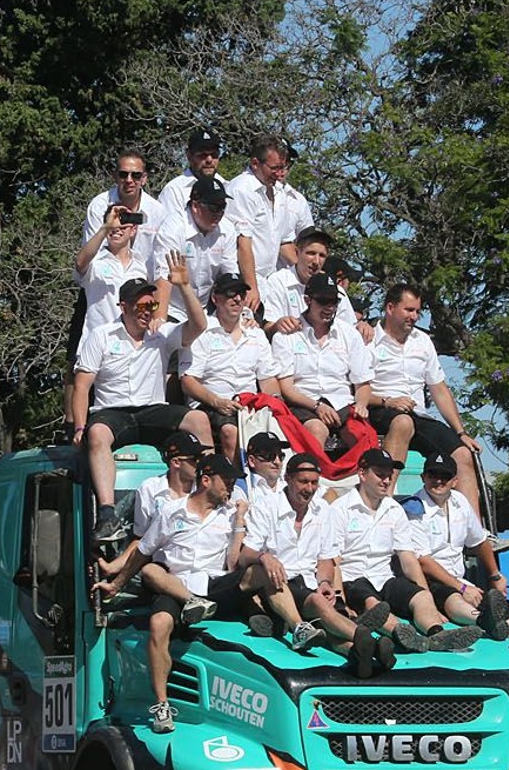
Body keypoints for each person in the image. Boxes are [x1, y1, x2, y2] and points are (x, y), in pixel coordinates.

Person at [96, 454, 273, 731]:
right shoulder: (170, 511)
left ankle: (293, 623)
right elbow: (142, 552)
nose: (230, 487)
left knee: (262, 571)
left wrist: (240, 520)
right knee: (155, 595)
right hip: (176, 584)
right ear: (205, 480)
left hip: (214, 584)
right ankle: (162, 705)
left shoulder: (230, 514)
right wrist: (116, 585)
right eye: (225, 481)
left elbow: (234, 562)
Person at [73, 264, 212, 542]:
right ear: (123, 306)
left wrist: (184, 286)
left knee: (199, 420)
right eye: (140, 304)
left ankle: (209, 490)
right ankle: (107, 512)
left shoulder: (162, 334)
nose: (147, 310)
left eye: (152, 304)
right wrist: (79, 426)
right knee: (97, 433)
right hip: (113, 411)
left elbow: (199, 325)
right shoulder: (101, 335)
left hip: (152, 409)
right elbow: (82, 386)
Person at [242, 452, 386, 676]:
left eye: (314, 483)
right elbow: (245, 555)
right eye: (303, 482)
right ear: (288, 479)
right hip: (279, 586)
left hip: (310, 583)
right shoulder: (266, 507)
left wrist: (326, 582)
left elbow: (325, 559)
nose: (309, 489)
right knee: (320, 605)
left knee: (325, 625)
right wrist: (265, 557)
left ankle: (358, 654)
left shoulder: (322, 510)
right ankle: (363, 636)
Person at [325, 448, 480, 654]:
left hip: (385, 578)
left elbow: (408, 559)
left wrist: (428, 597)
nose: (386, 480)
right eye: (380, 474)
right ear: (362, 474)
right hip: (353, 579)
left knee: (421, 597)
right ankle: (403, 635)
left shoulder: (394, 509)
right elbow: (333, 560)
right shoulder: (340, 509)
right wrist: (340, 601)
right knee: (373, 603)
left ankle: (436, 634)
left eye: (389, 475)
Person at [364, 283, 484, 510]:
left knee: (462, 453)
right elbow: (357, 390)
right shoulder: (368, 340)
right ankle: (385, 506)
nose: (415, 316)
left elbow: (438, 388)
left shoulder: (422, 341)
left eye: (418, 311)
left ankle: (476, 531)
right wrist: (388, 401)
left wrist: (461, 432)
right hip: (380, 409)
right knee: (402, 422)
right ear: (390, 308)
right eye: (409, 310)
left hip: (418, 414)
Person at [403, 454, 509, 648]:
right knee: (453, 597)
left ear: (455, 481)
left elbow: (480, 541)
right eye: (433, 475)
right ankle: (484, 621)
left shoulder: (460, 502)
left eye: (445, 476)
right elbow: (422, 561)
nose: (438, 481)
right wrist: (462, 587)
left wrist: (495, 576)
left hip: (460, 579)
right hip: (429, 580)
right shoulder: (414, 509)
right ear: (423, 477)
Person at [181, 272, 279, 460]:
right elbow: (188, 381)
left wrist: (274, 404)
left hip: (249, 406)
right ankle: (235, 485)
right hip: (210, 404)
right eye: (230, 293)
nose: (237, 298)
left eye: (241, 294)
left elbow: (268, 381)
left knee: (279, 425)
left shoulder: (256, 334)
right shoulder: (200, 331)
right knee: (230, 431)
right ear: (215, 298)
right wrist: (217, 401)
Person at [271, 273, 371, 448]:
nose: (330, 307)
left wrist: (361, 405)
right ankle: (312, 474)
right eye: (323, 301)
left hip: (343, 404)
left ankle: (363, 475)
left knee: (361, 434)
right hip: (304, 403)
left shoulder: (349, 334)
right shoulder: (286, 336)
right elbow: (286, 388)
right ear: (308, 300)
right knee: (316, 429)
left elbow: (362, 383)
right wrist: (317, 406)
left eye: (334, 302)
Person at [152, 175, 251, 318]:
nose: (219, 213)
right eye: (213, 208)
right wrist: (160, 322)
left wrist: (244, 316)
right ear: (195, 206)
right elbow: (163, 280)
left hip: (207, 308)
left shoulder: (227, 229)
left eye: (222, 207)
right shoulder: (172, 229)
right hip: (174, 309)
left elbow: (230, 277)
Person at [224, 134, 308, 287]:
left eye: (282, 167)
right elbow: (243, 242)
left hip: (269, 280)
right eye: (274, 168)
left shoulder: (279, 192)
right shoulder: (242, 189)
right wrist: (251, 287)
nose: (279, 173)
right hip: (242, 279)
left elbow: (284, 241)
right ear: (255, 163)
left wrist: (306, 271)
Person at [74, 202, 151, 350]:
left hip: (131, 347)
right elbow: (79, 263)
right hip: (96, 345)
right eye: (112, 228)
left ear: (133, 230)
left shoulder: (141, 265)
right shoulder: (95, 261)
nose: (117, 231)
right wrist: (106, 226)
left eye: (123, 227)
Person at [260, 226, 357, 330]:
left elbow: (350, 329)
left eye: (322, 255)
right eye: (311, 253)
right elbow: (267, 327)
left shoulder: (337, 291)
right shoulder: (278, 281)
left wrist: (363, 327)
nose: (316, 261)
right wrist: (278, 326)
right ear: (297, 252)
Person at [80, 148, 162, 267]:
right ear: (115, 176)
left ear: (144, 179)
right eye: (123, 174)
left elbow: (160, 257)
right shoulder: (99, 206)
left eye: (136, 175)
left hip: (143, 281)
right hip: (105, 278)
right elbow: (90, 257)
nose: (129, 180)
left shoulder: (157, 211)